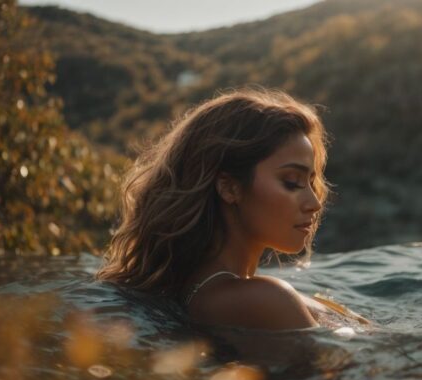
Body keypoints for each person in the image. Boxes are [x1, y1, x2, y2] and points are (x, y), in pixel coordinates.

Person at [97, 88, 367, 330]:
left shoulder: (227, 292)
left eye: (311, 182)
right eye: (292, 182)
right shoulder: (258, 300)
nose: (315, 203)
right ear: (229, 187)